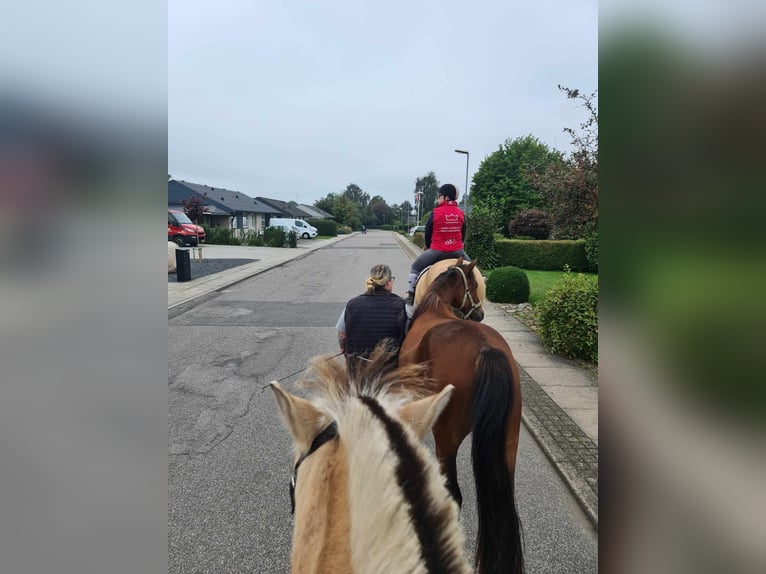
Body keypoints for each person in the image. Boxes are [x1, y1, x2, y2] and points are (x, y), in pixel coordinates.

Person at [405, 183, 469, 314]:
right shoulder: (461, 213)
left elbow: (428, 233)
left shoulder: (435, 213)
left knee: (415, 268)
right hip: (457, 251)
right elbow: (463, 233)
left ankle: (410, 296)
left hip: (437, 251)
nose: (438, 199)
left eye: (439, 196)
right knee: (473, 270)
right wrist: (457, 245)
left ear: (445, 197)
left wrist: (427, 246)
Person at [336, 264, 407, 371]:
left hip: (357, 366)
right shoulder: (401, 306)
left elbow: (342, 334)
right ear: (388, 283)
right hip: (389, 369)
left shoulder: (353, 304)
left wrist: (344, 350)